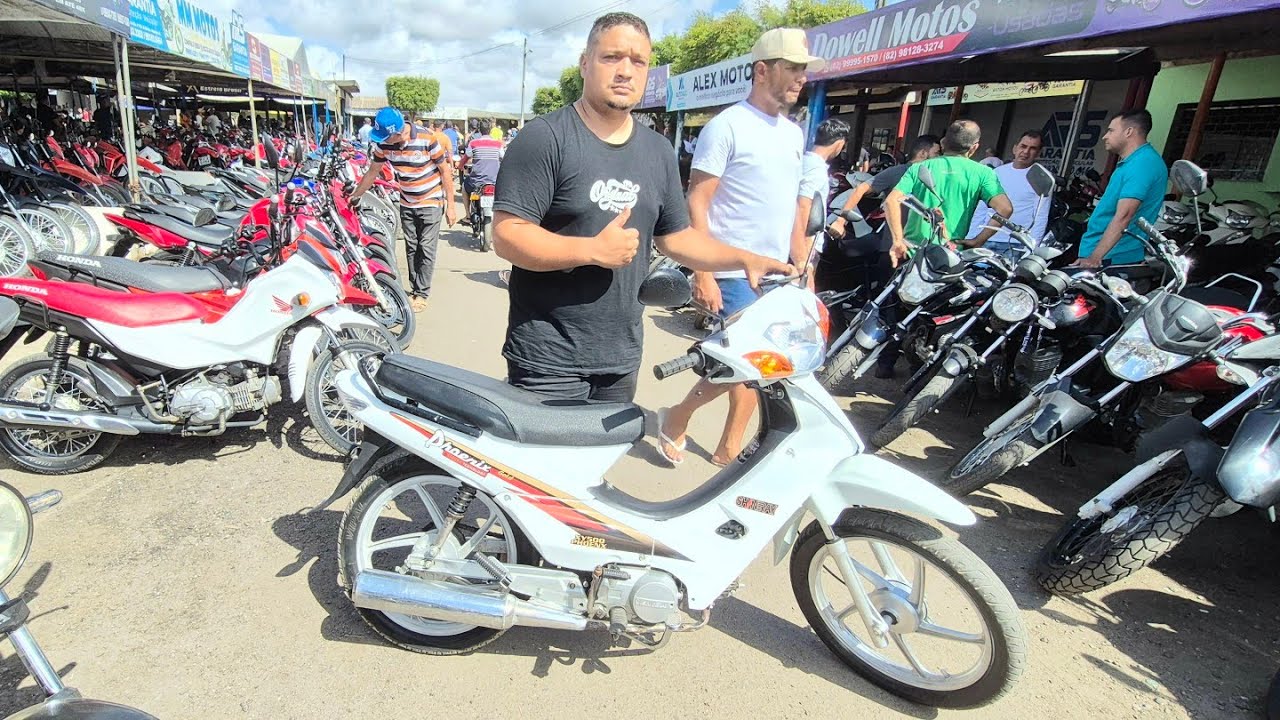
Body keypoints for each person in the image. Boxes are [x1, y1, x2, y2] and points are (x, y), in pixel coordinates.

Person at [493, 12, 791, 404]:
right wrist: (590, 251)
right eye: (612, 57)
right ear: (586, 63)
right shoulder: (545, 138)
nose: (625, 71)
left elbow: (677, 238)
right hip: (549, 358)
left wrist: (743, 259)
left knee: (599, 462)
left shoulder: (657, 151)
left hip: (621, 357)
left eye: (638, 61)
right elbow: (506, 235)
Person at [658, 27, 824, 467]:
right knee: (749, 363)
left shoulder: (792, 134)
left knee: (764, 367)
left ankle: (706, 432)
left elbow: (790, 204)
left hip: (776, 271)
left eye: (803, 70)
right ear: (762, 70)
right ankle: (689, 423)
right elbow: (699, 200)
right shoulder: (726, 127)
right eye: (791, 68)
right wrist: (703, 272)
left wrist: (800, 262)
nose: (800, 78)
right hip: (731, 268)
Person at [879, 121, 1013, 378]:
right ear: (974, 148)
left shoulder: (923, 167)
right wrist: (978, 240)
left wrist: (898, 239)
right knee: (934, 314)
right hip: (949, 258)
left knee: (896, 307)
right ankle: (919, 370)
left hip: (914, 252)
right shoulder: (982, 174)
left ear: (942, 143)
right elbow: (1005, 209)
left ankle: (885, 364)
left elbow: (891, 200)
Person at [349, 107, 457, 313]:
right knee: (412, 246)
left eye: (385, 136)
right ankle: (415, 285)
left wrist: (451, 206)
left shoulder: (427, 138)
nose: (383, 140)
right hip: (407, 201)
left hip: (431, 201)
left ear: (398, 132)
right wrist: (355, 195)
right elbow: (373, 172)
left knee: (426, 246)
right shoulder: (384, 145)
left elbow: (445, 171)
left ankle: (421, 293)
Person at [1074, 109, 1168, 268]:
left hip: (1111, 258)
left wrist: (1095, 257)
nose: (1105, 136)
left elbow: (1125, 215)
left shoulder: (1142, 164)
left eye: (1111, 130)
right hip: (1103, 253)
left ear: (1129, 132)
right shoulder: (1133, 162)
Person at [828, 134, 941, 242]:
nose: (940, 158)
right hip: (893, 245)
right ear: (923, 153)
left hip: (923, 244)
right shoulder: (898, 172)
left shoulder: (935, 177)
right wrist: (841, 220)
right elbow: (860, 189)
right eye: (936, 154)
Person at [967, 130, 1049, 259]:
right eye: (1023, 146)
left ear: (1038, 153)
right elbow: (982, 208)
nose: (1026, 152)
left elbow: (1041, 217)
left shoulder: (1042, 178)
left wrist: (1031, 249)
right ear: (1015, 148)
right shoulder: (996, 173)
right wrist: (972, 237)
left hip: (1015, 245)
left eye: (1032, 148)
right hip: (984, 240)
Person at [793, 117, 849, 266]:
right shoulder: (816, 170)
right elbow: (804, 205)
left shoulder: (804, 161)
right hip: (804, 247)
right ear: (840, 143)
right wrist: (804, 256)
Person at [462, 120, 503, 220]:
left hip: (477, 181)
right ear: (490, 130)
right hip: (494, 181)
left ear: (480, 130)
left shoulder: (474, 143)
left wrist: (460, 166)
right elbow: (503, 157)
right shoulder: (498, 144)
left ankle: (467, 215)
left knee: (464, 187)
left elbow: (465, 158)